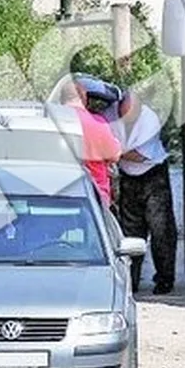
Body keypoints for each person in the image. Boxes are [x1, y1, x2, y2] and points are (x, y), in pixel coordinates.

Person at [112, 90, 177, 295]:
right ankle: (132, 281)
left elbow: (138, 156)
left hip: (153, 175)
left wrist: (112, 150)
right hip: (128, 177)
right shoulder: (113, 114)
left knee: (161, 230)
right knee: (131, 231)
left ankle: (165, 279)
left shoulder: (150, 120)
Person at [58, 78, 121, 211]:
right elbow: (115, 156)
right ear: (84, 98)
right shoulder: (98, 123)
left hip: (59, 196)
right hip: (94, 197)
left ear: (62, 100)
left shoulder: (52, 122)